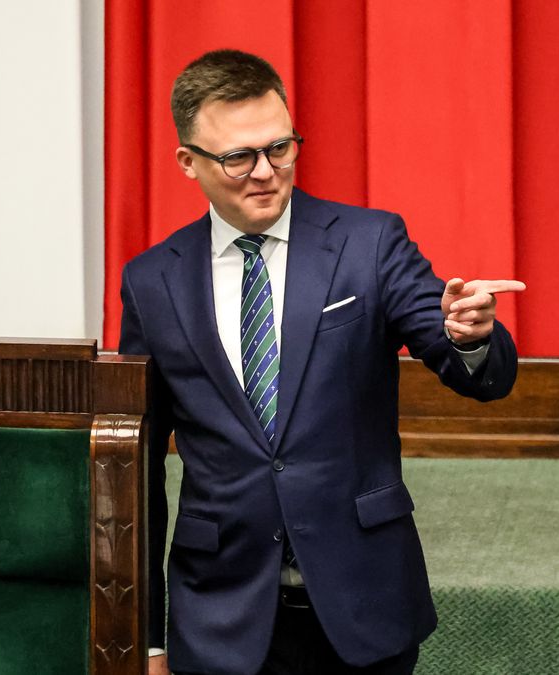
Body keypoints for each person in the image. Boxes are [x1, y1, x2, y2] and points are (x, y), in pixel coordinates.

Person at [119, 49, 524, 675]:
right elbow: (137, 474)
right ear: (187, 162)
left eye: (280, 147)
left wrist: (470, 335)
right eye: (237, 157)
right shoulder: (152, 282)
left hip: (363, 604)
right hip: (221, 618)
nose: (264, 172)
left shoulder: (369, 243)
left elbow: (474, 371)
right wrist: (145, 638)